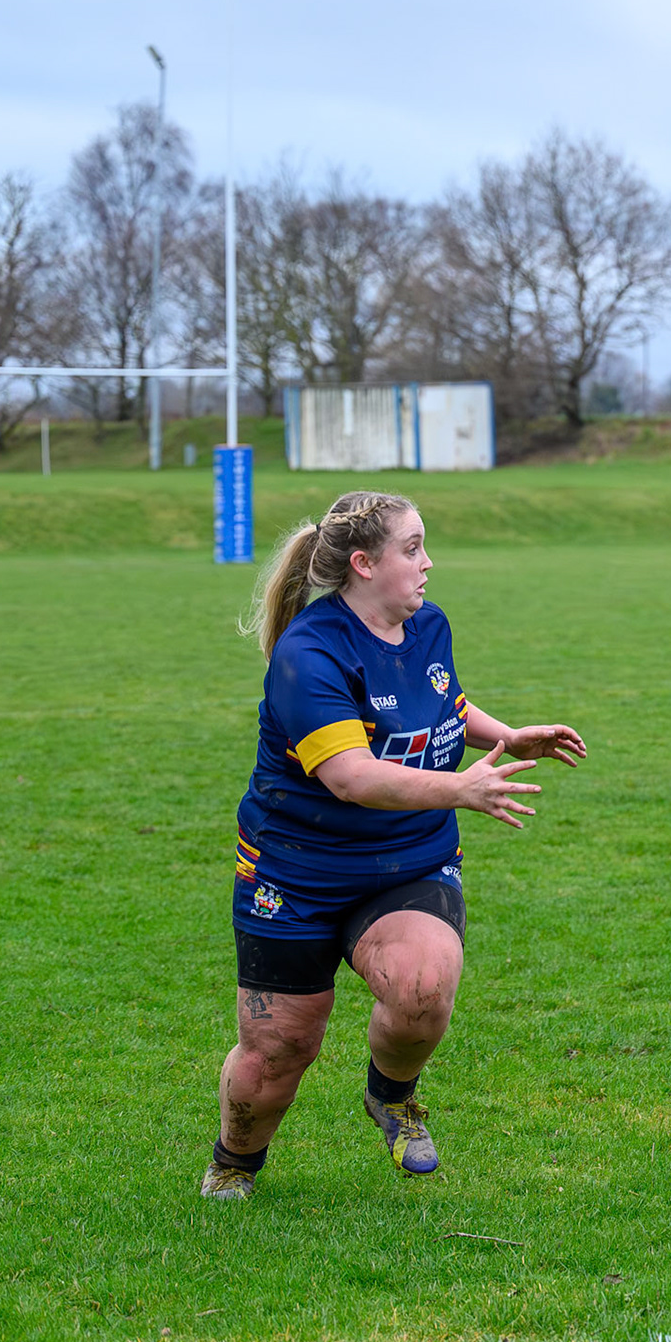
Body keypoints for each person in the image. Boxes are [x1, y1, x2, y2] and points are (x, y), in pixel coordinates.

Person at [202, 491, 587, 1201]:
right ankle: (236, 1161)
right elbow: (350, 776)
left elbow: (445, 703)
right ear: (362, 564)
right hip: (295, 874)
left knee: (423, 987)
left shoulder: (426, 625)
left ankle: (392, 1097)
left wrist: (506, 736)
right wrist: (461, 790)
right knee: (279, 1052)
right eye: (412, 549)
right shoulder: (308, 654)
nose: (428, 562)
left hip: (408, 859)